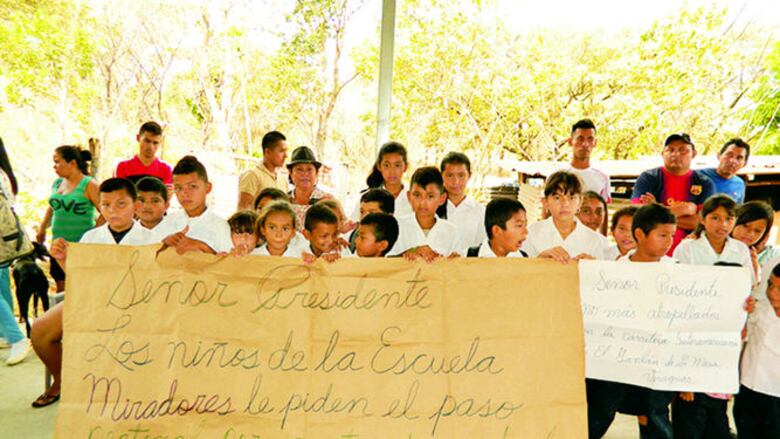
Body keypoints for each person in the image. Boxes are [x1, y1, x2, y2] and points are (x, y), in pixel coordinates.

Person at [30, 178, 156, 408]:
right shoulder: (91, 238)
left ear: (135, 206)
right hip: (91, 301)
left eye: (121, 204)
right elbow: (79, 280)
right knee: (40, 330)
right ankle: (63, 380)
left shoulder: (152, 241)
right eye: (105, 205)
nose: (112, 211)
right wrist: (63, 260)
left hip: (134, 309)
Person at [586, 203, 678, 439]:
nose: (668, 241)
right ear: (640, 234)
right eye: (662, 235)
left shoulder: (678, 273)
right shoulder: (612, 273)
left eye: (671, 235)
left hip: (656, 363)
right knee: (598, 413)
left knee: (655, 416)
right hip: (614, 363)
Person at [631, 133, 715, 254]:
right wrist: (686, 209)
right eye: (670, 150)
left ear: (694, 154)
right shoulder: (649, 178)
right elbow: (638, 215)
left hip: (691, 253)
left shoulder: (704, 183)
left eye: (683, 150)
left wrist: (656, 210)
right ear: (662, 153)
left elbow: (702, 223)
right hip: (651, 253)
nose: (676, 154)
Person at [36, 145, 101, 293]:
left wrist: (95, 234)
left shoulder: (89, 184)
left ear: (72, 163)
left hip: (80, 245)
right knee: (62, 291)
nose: (54, 166)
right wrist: (42, 228)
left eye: (58, 161)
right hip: (58, 244)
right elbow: (53, 207)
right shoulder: (58, 183)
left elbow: (105, 212)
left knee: (80, 288)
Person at [734, 261, 780, 438]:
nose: (773, 293)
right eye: (770, 285)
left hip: (775, 396)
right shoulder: (758, 310)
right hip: (748, 390)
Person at [521, 171, 609, 263]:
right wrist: (540, 259)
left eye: (571, 198)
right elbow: (520, 271)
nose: (565, 204)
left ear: (580, 202)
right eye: (557, 198)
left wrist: (592, 267)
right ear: (545, 202)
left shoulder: (596, 241)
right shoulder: (531, 233)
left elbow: (602, 275)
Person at [153, 156, 233, 254]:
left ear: (208, 188)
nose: (184, 193)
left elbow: (229, 265)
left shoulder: (219, 226)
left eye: (192, 186)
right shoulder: (169, 220)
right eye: (178, 188)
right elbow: (148, 256)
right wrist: (164, 243)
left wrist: (203, 247)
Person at [673, 195, 754, 285]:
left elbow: (747, 283)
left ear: (736, 220)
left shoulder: (741, 249)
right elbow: (678, 284)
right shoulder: (686, 248)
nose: (723, 224)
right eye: (715, 218)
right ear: (702, 219)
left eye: (729, 219)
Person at [388, 166, 461, 260]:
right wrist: (409, 252)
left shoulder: (451, 231)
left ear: (442, 198)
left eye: (430, 196)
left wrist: (453, 260)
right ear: (409, 196)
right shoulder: (397, 226)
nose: (423, 202)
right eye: (417, 195)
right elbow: (385, 262)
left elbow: (458, 265)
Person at [0, 139, 30, 366]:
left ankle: (16, 337)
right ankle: (6, 334)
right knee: (1, 283)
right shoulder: (5, 173)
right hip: (6, 239)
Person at [350, 141, 413, 221]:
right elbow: (352, 228)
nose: (392, 171)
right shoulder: (368, 197)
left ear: (406, 167)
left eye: (397, 165)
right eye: (386, 165)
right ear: (379, 166)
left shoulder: (413, 197)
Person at [438, 152, 486, 250]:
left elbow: (482, 246)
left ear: (469, 176)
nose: (455, 181)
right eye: (450, 175)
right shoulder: (431, 208)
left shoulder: (480, 211)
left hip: (468, 264)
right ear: (441, 176)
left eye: (461, 175)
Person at [238, 131, 289, 210]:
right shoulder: (252, 175)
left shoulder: (283, 179)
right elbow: (242, 208)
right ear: (267, 152)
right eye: (281, 151)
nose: (286, 155)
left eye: (286, 151)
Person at [286, 146, 333, 232]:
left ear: (316, 173)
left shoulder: (327, 201)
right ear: (291, 173)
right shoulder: (284, 201)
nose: (305, 174)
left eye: (309, 169)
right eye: (299, 169)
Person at [564, 119, 611, 202]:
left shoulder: (603, 177)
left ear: (595, 143)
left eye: (590, 139)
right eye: (580, 139)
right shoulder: (557, 175)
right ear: (570, 142)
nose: (585, 144)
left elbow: (604, 210)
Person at [115, 121, 172, 186]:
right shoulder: (123, 167)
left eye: (155, 143)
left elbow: (165, 195)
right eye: (147, 141)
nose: (150, 147)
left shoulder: (166, 169)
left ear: (160, 143)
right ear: (138, 138)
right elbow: (120, 194)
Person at [731, 200, 775, 277]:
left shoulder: (754, 257)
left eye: (757, 231)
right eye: (746, 226)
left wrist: (754, 270)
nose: (751, 234)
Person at [699, 138, 749, 203]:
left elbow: (738, 210)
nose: (732, 161)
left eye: (739, 158)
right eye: (729, 155)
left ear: (744, 164)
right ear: (719, 156)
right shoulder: (699, 176)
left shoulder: (740, 184)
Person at [348, 188, 394, 252]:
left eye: (372, 213)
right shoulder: (353, 237)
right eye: (362, 212)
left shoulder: (401, 241)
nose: (364, 217)